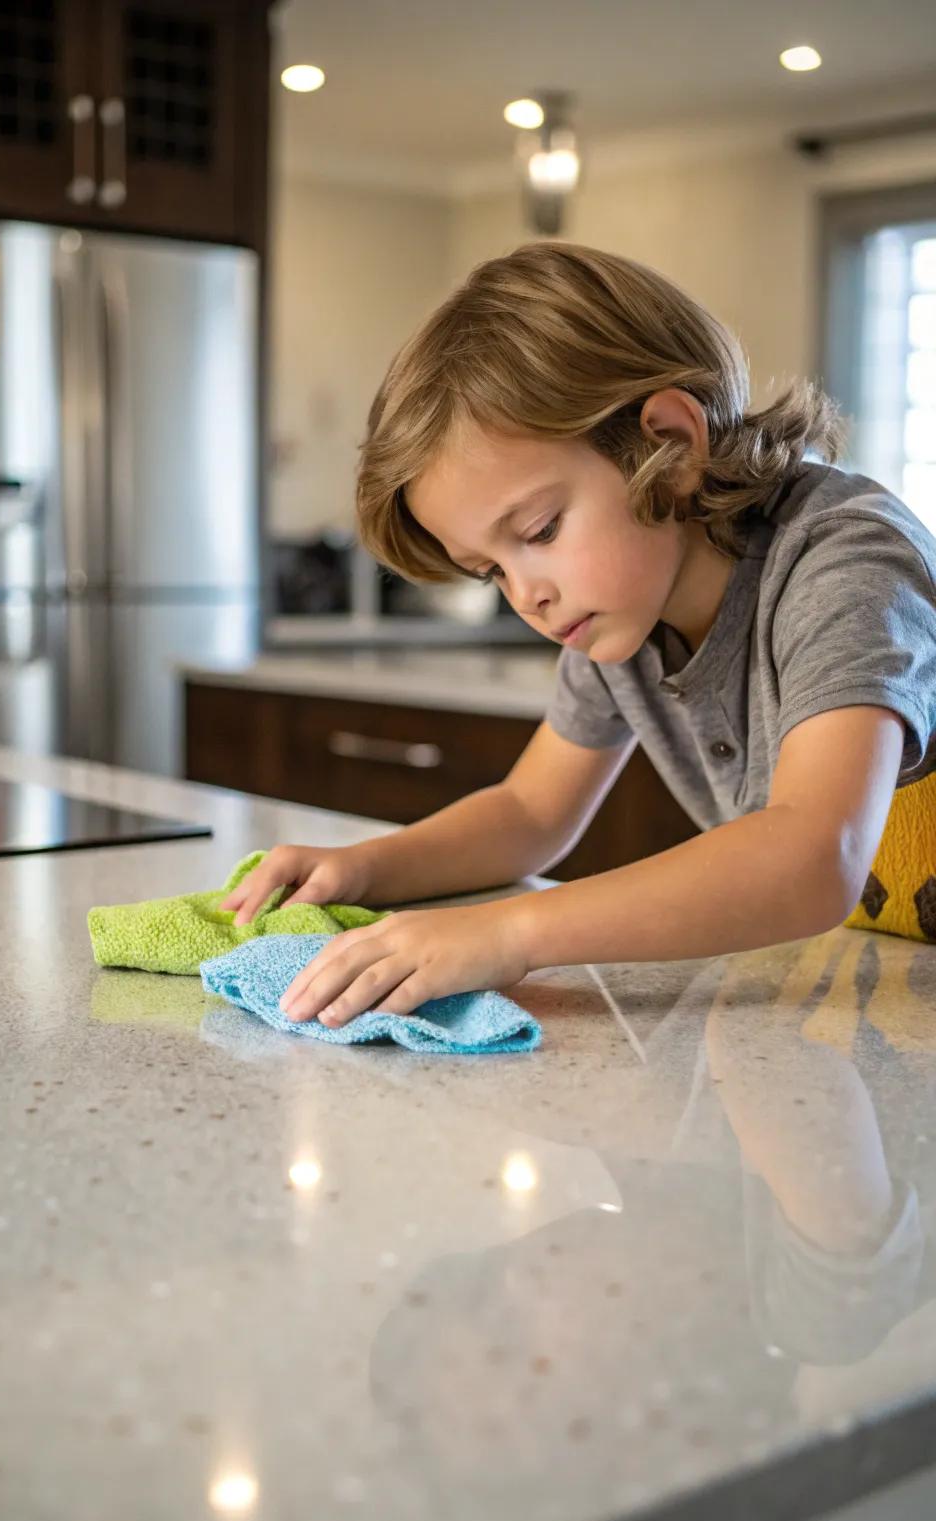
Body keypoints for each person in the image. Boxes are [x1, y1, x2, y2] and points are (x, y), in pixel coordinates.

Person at [221, 241, 936, 1028]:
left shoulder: (844, 562)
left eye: (540, 529)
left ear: (667, 447)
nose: (528, 593)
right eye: (490, 570)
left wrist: (507, 932)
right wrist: (359, 870)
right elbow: (531, 813)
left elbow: (812, 858)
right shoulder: (621, 612)